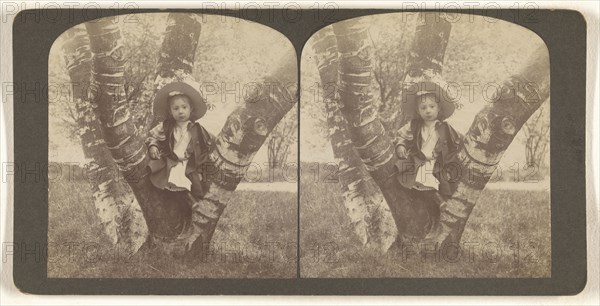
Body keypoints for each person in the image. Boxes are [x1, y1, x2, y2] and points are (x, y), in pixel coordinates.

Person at [395, 81, 462, 211]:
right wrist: (401, 145)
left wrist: (452, 159)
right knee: (419, 176)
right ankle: (434, 199)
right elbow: (402, 136)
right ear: (418, 111)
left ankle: (438, 200)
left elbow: (457, 142)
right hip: (419, 159)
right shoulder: (414, 125)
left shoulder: (445, 127)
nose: (428, 111)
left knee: (433, 178)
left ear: (439, 108)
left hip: (437, 161)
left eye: (432, 106)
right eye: (423, 108)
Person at [146, 81, 214, 200]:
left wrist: (204, 163)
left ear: (190, 108)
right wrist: (153, 146)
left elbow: (207, 145)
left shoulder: (197, 129)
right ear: (170, 111)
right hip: (170, 161)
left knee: (190, 182)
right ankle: (170, 201)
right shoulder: (166, 126)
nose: (180, 111)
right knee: (168, 181)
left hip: (189, 163)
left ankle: (190, 202)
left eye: (184, 107)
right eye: (175, 108)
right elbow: (153, 137)